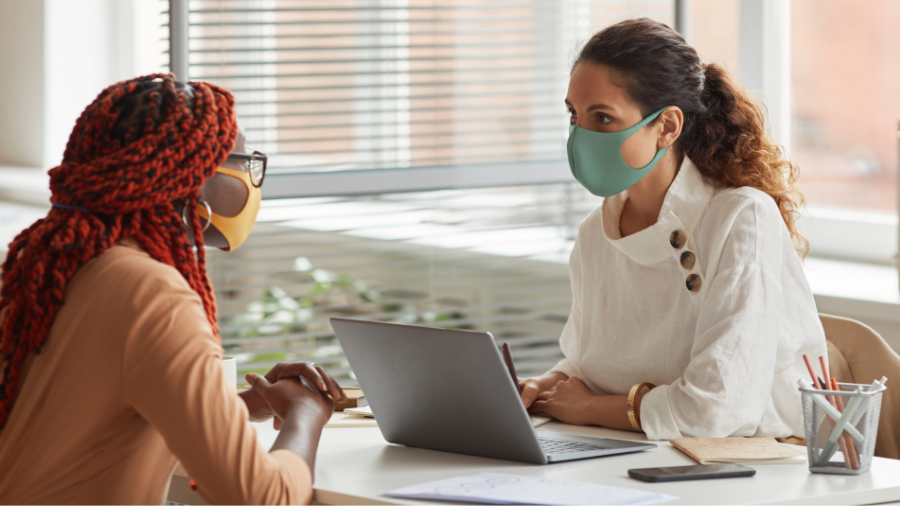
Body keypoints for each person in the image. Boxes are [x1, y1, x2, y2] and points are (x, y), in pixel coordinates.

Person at [0, 74, 345, 504]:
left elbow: (92, 422)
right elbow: (260, 497)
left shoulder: (48, 262)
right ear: (193, 180)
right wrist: (306, 415)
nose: (253, 179)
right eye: (244, 160)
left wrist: (236, 408)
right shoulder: (153, 295)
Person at [519, 19, 827, 441]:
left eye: (603, 118)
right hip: (637, 453)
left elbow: (717, 410)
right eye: (574, 115)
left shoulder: (742, 218)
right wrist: (545, 386)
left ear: (666, 127)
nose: (581, 136)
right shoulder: (596, 233)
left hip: (751, 468)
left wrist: (591, 408)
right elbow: (590, 364)